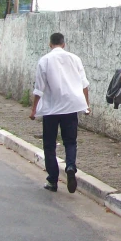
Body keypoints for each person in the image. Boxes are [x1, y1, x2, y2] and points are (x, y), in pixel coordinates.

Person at [30, 32, 90, 193]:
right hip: (71, 106)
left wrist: (34, 109)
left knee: (49, 144)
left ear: (50, 44)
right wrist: (87, 105)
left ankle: (53, 180)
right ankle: (70, 166)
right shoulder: (75, 59)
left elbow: (39, 88)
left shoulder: (44, 60)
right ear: (63, 44)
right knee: (70, 141)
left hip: (52, 108)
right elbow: (84, 84)